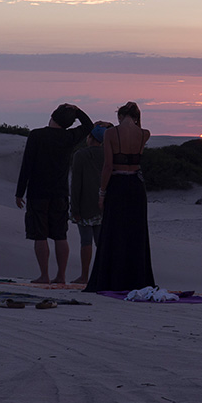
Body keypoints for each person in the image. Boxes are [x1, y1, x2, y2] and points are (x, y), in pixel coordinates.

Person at [15, 104, 94, 284]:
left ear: (53, 116)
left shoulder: (36, 135)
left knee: (40, 235)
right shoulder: (69, 137)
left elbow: (27, 165)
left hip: (37, 192)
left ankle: (44, 275)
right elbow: (89, 126)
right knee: (60, 235)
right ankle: (61, 276)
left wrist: (20, 192)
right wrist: (78, 111)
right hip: (59, 193)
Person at [84, 101, 155, 293]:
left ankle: (112, 278)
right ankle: (135, 278)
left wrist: (102, 192)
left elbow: (108, 166)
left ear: (120, 116)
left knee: (114, 232)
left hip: (117, 185)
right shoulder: (144, 134)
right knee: (135, 233)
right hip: (137, 186)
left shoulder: (111, 133)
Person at [69, 122, 112, 284]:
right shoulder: (109, 154)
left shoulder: (80, 155)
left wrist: (75, 209)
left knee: (85, 241)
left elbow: (76, 184)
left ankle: (85, 276)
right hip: (103, 205)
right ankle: (102, 275)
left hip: (85, 205)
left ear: (90, 137)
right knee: (101, 243)